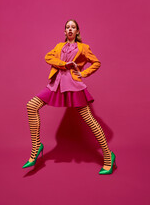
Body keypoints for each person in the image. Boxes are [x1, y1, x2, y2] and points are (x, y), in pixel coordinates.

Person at [22, 19, 117, 174]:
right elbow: (48, 57)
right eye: (68, 27)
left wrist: (83, 73)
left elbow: (96, 63)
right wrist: (63, 64)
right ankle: (36, 146)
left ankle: (108, 156)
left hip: (73, 85)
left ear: (77, 31)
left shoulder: (83, 48)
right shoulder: (59, 46)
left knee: (90, 121)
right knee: (31, 106)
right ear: (65, 32)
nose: (70, 29)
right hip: (56, 84)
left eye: (73, 27)